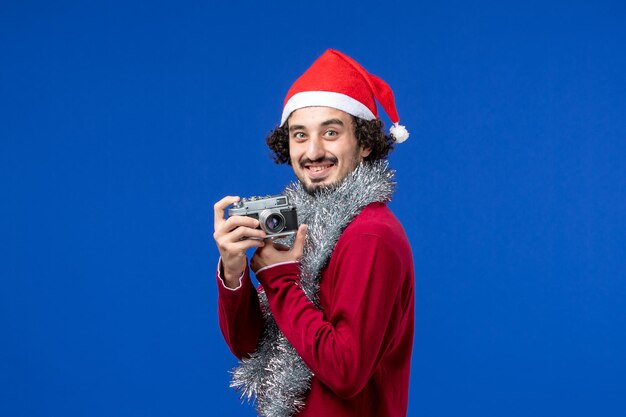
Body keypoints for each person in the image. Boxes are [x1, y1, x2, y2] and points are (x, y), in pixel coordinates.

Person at [212, 49, 414, 417]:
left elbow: (346, 371)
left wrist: (278, 279)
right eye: (300, 135)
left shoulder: (369, 235)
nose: (313, 151)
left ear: (365, 143)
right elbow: (251, 347)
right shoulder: (303, 226)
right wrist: (233, 272)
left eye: (331, 132)